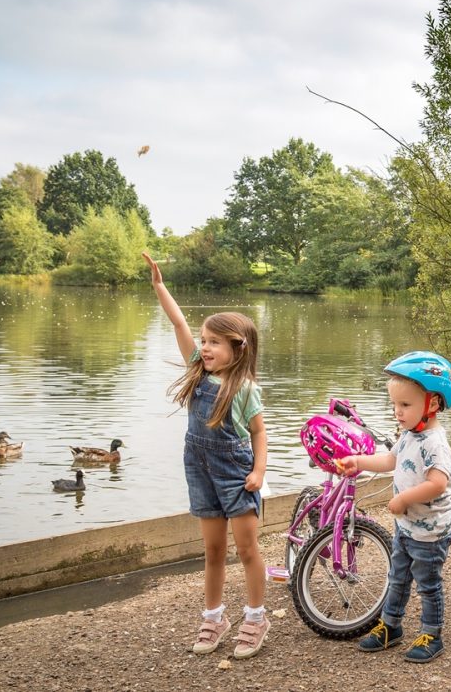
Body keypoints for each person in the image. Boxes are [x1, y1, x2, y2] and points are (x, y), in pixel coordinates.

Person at [143, 252, 272, 659]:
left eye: (214, 342)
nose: (205, 347)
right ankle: (214, 616)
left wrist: (259, 470)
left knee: (247, 549)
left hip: (235, 472)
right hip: (198, 469)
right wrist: (160, 287)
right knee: (213, 550)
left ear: (238, 347)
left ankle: (255, 617)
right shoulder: (198, 371)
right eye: (204, 341)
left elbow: (259, 433)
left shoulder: (246, 389)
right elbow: (179, 323)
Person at [337, 351, 451, 663]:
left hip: (431, 532)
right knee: (398, 577)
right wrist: (359, 462)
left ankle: (433, 633)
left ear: (432, 404)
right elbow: (391, 460)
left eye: (405, 405)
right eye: (395, 405)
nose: (397, 412)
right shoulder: (408, 434)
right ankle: (391, 626)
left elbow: (436, 484)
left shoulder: (436, 444)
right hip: (407, 527)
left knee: (428, 584)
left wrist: (404, 499)